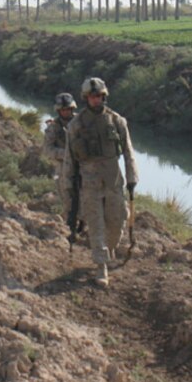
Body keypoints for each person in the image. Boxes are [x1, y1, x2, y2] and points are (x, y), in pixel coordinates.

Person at [61, 77, 138, 288]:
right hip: (90, 183)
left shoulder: (117, 121)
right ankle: (101, 265)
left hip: (113, 180)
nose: (96, 100)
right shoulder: (76, 125)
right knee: (96, 225)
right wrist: (67, 186)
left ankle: (109, 249)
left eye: (99, 96)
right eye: (93, 97)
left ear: (104, 96)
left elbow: (129, 151)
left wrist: (132, 177)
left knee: (117, 222)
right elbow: (69, 158)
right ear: (86, 98)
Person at [43, 92, 77, 221]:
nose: (66, 112)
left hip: (84, 166)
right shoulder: (54, 127)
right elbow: (47, 150)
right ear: (58, 111)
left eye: (68, 109)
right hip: (64, 168)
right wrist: (65, 154)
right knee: (68, 201)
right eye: (63, 110)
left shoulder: (82, 122)